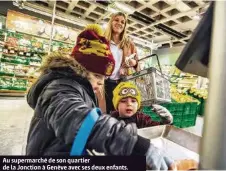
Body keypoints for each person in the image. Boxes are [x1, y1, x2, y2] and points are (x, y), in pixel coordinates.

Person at [26, 24, 173, 170]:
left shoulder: (81, 89)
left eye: (103, 78)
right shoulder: (59, 88)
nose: (100, 83)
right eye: (96, 75)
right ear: (81, 68)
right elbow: (78, 120)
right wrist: (139, 146)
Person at [104, 12, 139, 113]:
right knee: (103, 111)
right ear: (111, 22)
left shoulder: (129, 43)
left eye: (123, 22)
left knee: (118, 112)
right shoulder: (103, 40)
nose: (119, 23)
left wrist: (134, 63)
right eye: (116, 20)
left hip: (120, 84)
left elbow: (137, 62)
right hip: (103, 83)